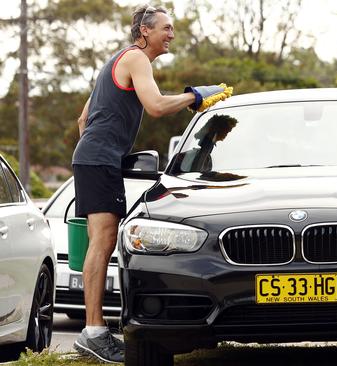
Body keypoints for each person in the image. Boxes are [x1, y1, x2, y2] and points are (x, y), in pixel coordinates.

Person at [71, 5, 228, 363]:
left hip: (96, 159)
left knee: (102, 241)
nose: (171, 34)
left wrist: (104, 151)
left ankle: (94, 329)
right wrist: (196, 96)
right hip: (97, 160)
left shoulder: (118, 61)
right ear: (144, 32)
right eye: (166, 28)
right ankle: (93, 332)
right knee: (103, 241)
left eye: (172, 29)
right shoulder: (137, 59)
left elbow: (84, 118)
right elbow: (156, 106)